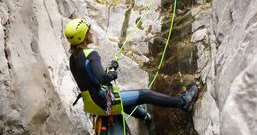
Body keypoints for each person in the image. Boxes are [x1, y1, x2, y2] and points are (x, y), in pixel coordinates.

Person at [64, 18, 198, 120]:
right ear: (83, 36)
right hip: (103, 102)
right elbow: (103, 79)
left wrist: (109, 70)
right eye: (89, 31)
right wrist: (112, 73)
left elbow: (89, 79)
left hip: (91, 105)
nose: (91, 32)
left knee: (122, 97)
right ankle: (183, 103)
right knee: (145, 94)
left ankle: (143, 116)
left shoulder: (73, 58)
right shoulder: (91, 54)